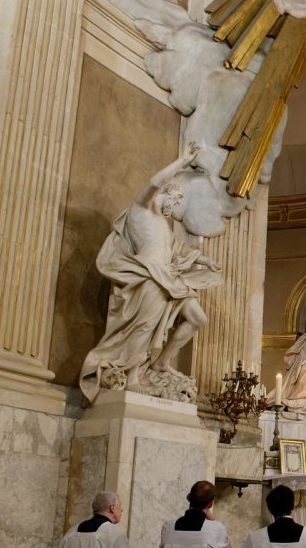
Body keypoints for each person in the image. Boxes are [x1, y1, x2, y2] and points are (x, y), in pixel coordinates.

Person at [79, 142, 223, 403]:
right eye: (177, 199)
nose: (176, 206)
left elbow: (175, 250)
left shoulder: (164, 224)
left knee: (197, 318)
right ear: (168, 191)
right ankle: (133, 377)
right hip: (149, 276)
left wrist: (204, 261)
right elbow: (154, 183)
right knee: (143, 327)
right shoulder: (141, 208)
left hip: (168, 278)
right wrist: (182, 160)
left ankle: (160, 363)